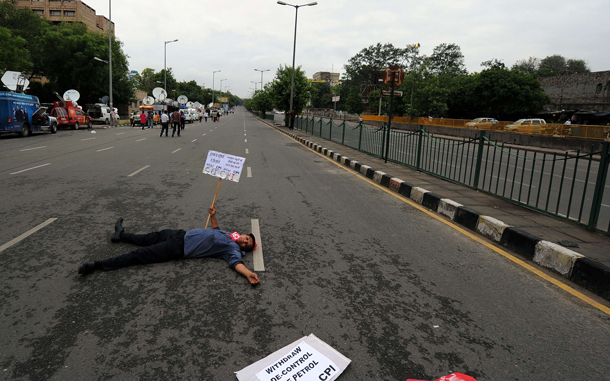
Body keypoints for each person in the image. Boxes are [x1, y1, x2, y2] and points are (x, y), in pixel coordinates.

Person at [77, 206, 260, 285]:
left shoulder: (232, 249)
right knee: (147, 238)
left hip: (178, 249)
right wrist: (213, 215)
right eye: (246, 238)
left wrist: (248, 274)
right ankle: (121, 235)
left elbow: (236, 263)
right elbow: (215, 229)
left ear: (242, 248)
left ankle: (98, 265)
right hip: (179, 234)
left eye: (246, 244)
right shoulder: (230, 235)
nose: (244, 240)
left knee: (140, 255)